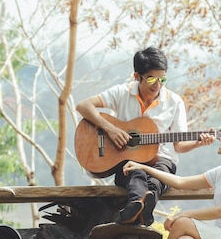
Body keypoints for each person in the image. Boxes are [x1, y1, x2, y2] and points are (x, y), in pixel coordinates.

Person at [75, 46, 213, 226]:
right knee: (136, 171)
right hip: (127, 161)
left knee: (156, 179)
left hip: (162, 161)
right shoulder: (122, 93)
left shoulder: (174, 101)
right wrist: (110, 129)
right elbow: (83, 106)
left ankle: (134, 209)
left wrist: (197, 144)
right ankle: (142, 212)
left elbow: (179, 146)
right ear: (137, 76)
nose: (158, 84)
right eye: (151, 78)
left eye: (162, 78)